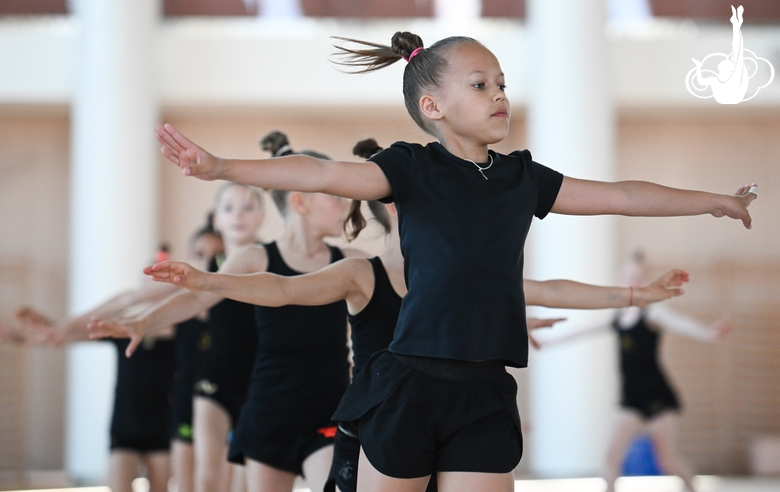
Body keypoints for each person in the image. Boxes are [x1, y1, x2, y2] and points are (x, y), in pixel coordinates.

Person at [152, 32, 757, 492]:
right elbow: (320, 172)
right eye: (480, 84)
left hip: (488, 392)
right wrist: (222, 167)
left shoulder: (522, 178)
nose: (499, 94)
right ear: (433, 106)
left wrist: (714, 202)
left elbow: (621, 195)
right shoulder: (412, 168)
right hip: (410, 387)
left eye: (500, 82)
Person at [90, 135, 365, 492]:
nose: (345, 204)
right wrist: (144, 321)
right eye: (334, 194)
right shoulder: (256, 258)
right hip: (270, 412)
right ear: (300, 202)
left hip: (326, 411)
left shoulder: (351, 261)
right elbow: (198, 298)